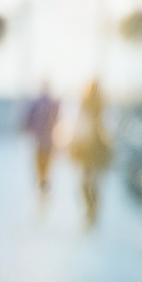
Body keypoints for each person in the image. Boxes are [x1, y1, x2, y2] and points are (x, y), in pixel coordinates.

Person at [69, 80, 113, 227]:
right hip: (91, 149)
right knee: (90, 183)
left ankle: (91, 212)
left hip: (92, 149)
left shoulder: (98, 105)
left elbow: (80, 126)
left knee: (89, 183)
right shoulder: (92, 104)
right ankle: (91, 212)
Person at [22, 83, 61, 197]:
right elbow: (57, 119)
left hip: (40, 141)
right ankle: (43, 187)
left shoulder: (37, 104)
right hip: (47, 142)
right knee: (45, 167)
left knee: (41, 167)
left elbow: (27, 121)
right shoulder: (50, 103)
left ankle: (42, 188)